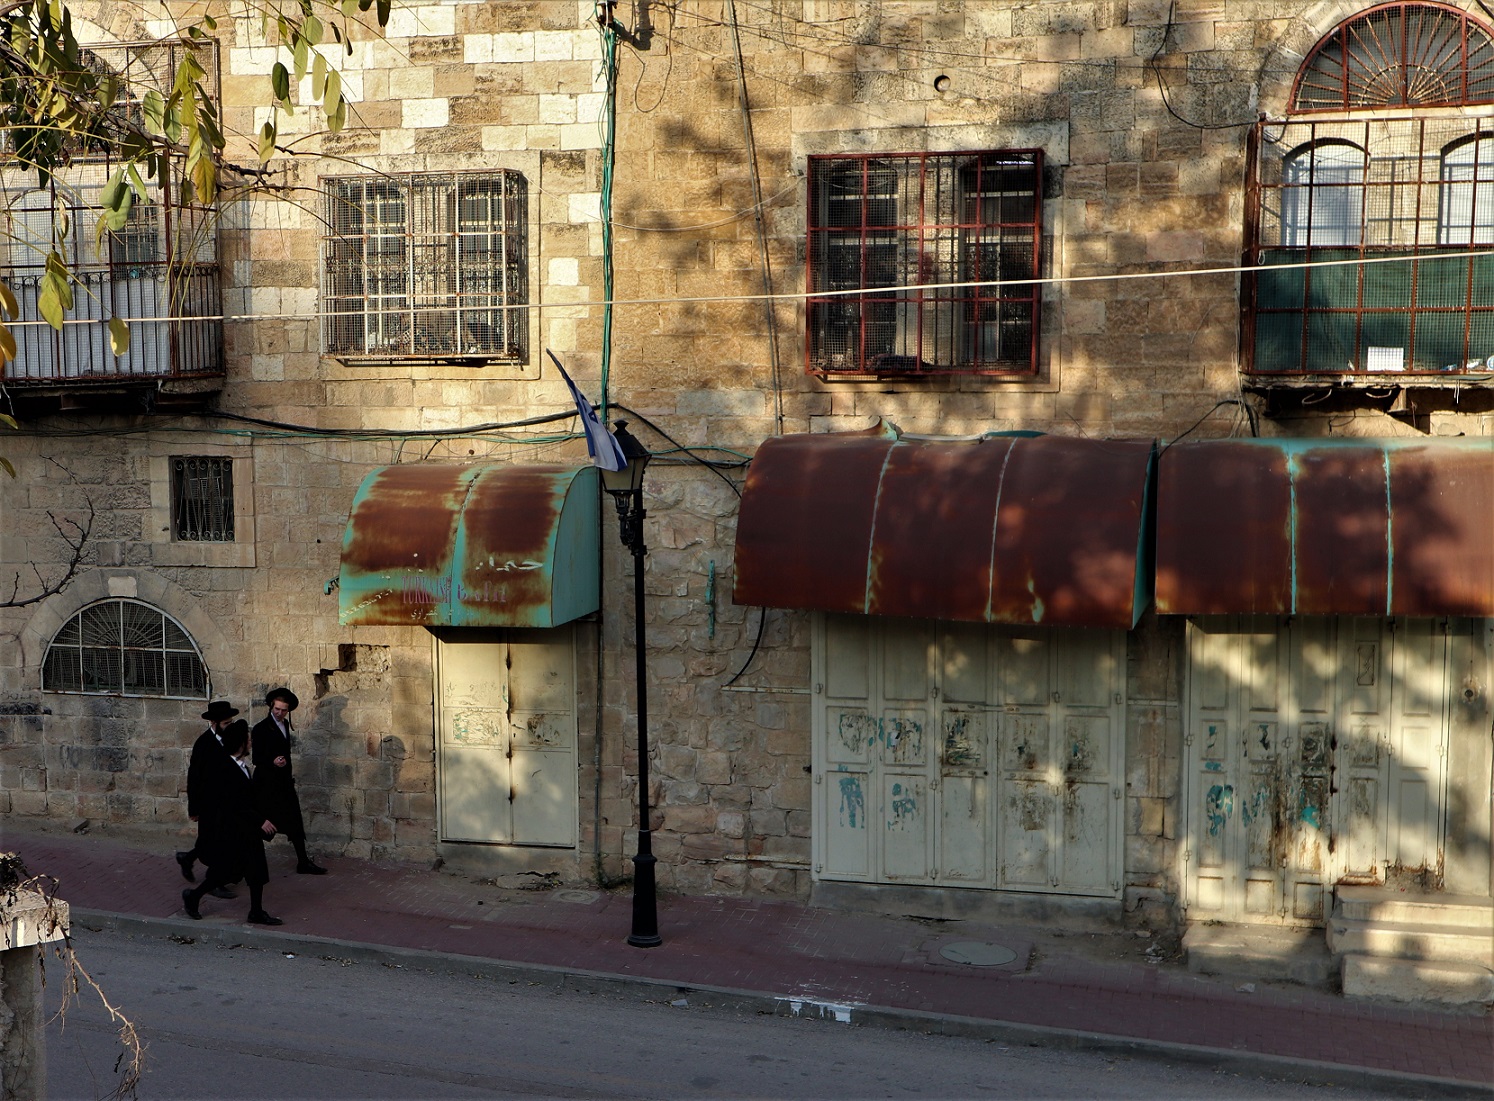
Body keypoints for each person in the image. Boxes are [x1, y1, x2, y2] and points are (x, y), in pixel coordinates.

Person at [182, 719, 282, 926]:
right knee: (227, 871)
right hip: (235, 830)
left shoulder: (241, 766)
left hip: (246, 829)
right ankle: (193, 896)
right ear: (241, 744)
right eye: (248, 740)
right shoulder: (226, 769)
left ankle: (255, 912)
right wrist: (260, 821)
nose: (251, 742)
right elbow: (235, 804)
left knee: (255, 871)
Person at [252, 687, 326, 874]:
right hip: (266, 787)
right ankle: (219, 861)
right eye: (277, 709)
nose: (279, 713)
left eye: (283, 710)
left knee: (295, 823)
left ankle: (303, 862)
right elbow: (256, 758)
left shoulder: (285, 725)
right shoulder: (261, 728)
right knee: (257, 827)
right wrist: (272, 762)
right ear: (271, 706)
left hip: (283, 785)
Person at [176, 700, 239, 898]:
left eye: (230, 722)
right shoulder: (203, 744)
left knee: (215, 840)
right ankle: (214, 882)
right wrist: (194, 809)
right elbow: (194, 778)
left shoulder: (229, 740)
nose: (229, 726)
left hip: (227, 802)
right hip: (209, 804)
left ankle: (188, 858)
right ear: (214, 723)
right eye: (226, 723)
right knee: (215, 843)